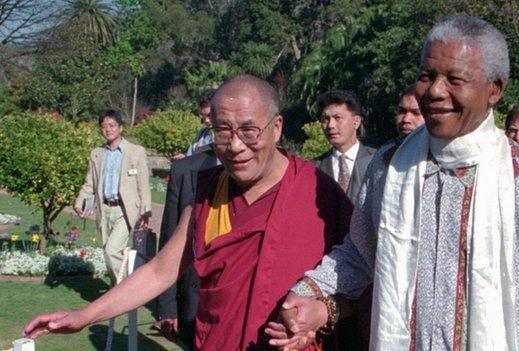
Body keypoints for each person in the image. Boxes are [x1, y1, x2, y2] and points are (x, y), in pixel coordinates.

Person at [267, 14, 519, 351]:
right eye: (427, 76)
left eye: (455, 78)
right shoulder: (390, 166)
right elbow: (360, 255)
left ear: (495, 89)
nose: (434, 91)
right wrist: (310, 293)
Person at [23, 75, 352, 351]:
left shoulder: (319, 194)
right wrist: (84, 316)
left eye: (249, 131)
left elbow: (360, 282)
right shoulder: (209, 192)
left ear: (276, 127)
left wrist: (323, 312)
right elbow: (160, 271)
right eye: (223, 131)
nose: (236, 145)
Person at [74, 108, 151, 281]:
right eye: (104, 126)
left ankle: (125, 291)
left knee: (112, 250)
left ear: (120, 128)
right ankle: (116, 293)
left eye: (112, 125)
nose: (108, 129)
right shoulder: (96, 154)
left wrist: (146, 211)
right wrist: (79, 202)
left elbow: (143, 184)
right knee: (108, 254)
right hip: (104, 209)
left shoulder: (136, 151)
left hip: (125, 211)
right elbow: (90, 183)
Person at [155, 149, 219, 348]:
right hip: (194, 301)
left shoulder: (273, 172)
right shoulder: (185, 170)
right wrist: (167, 307)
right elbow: (169, 240)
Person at [314, 90, 376, 202]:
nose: (330, 125)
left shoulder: (377, 160)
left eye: (337, 118)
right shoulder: (314, 168)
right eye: (326, 119)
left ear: (356, 122)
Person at [172, 89, 217, 160]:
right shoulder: (200, 136)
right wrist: (184, 159)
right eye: (203, 116)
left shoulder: (231, 135)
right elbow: (192, 158)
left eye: (209, 115)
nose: (206, 120)